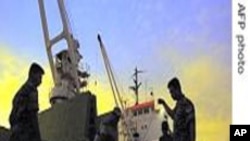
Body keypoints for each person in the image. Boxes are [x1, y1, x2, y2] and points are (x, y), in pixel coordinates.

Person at [9, 63, 44, 141]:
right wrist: (38, 137)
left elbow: (12, 117)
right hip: (26, 134)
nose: (41, 81)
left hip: (15, 134)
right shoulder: (32, 90)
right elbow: (33, 115)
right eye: (40, 77)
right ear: (33, 74)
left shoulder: (19, 92)